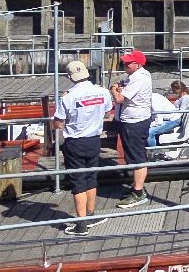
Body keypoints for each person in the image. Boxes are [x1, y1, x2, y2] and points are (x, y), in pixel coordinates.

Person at [52, 59, 113, 235]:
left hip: (75, 142)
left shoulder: (68, 97)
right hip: (94, 140)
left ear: (69, 76)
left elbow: (58, 123)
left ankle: (81, 224)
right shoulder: (102, 91)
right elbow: (107, 112)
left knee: (78, 182)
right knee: (91, 177)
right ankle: (90, 214)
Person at [110, 50, 154, 208]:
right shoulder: (137, 76)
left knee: (137, 157)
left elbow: (119, 99)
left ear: (138, 64)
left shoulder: (138, 79)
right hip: (132, 121)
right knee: (133, 155)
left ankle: (138, 192)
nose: (125, 64)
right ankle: (137, 186)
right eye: (125, 62)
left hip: (134, 122)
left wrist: (113, 88)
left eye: (129, 63)